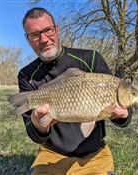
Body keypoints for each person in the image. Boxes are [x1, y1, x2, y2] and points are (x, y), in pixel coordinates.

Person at [19, 7, 132, 175]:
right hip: (51, 154)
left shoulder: (91, 58)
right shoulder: (26, 75)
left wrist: (123, 116)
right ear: (28, 39)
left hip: (95, 154)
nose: (44, 39)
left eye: (48, 30)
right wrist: (38, 122)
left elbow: (124, 115)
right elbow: (35, 135)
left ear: (56, 29)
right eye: (35, 35)